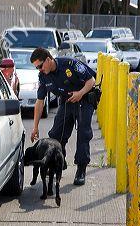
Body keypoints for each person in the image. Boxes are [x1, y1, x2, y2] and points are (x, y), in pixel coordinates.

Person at [30, 47, 96, 186]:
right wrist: (35, 127)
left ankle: (81, 169)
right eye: (37, 68)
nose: (39, 70)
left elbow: (91, 81)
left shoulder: (70, 65)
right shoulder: (43, 76)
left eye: (40, 66)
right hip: (66, 102)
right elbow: (40, 102)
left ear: (48, 59)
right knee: (55, 134)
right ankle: (59, 161)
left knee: (83, 134)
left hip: (84, 100)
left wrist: (80, 93)